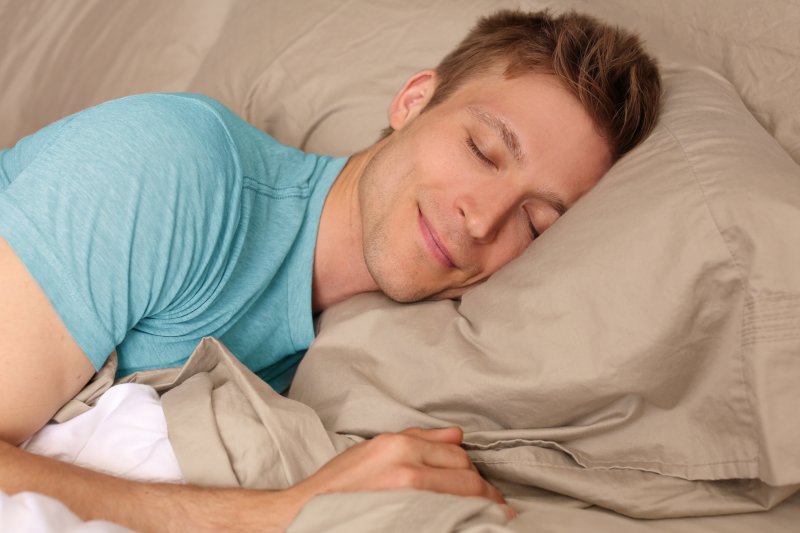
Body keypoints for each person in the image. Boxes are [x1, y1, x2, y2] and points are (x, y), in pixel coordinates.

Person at [0, 8, 661, 531]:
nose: (482, 219)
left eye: (535, 221)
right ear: (412, 102)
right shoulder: (177, 168)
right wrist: (276, 515)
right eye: (482, 149)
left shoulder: (353, 362)